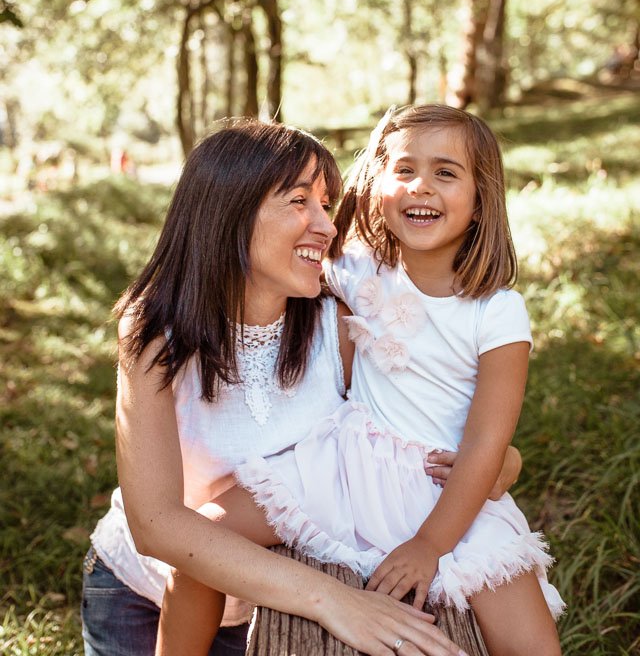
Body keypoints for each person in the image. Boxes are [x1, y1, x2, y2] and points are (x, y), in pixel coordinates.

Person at [157, 106, 561, 656]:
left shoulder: (497, 311)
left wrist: (430, 543)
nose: (422, 186)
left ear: (481, 197)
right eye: (403, 171)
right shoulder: (357, 266)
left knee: (534, 643)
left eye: (446, 172)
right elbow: (288, 239)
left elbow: (489, 440)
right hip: (344, 464)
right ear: (376, 185)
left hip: (445, 489)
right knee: (204, 540)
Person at [82, 119, 475, 656]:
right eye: (298, 202)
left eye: (325, 203)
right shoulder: (154, 333)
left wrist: (501, 463)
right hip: (140, 594)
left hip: (269, 605)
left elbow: (419, 427)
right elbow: (156, 525)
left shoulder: (339, 326)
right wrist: (333, 600)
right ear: (229, 213)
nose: (327, 226)